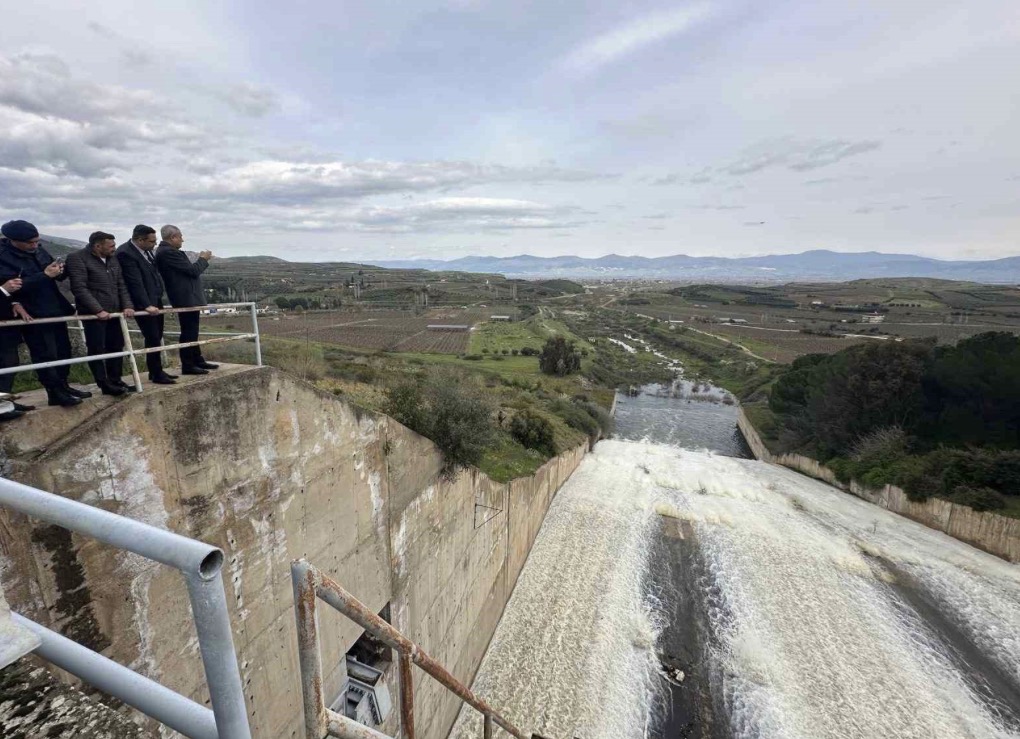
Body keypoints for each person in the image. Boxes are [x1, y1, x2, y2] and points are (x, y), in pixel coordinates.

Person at [0, 220, 91, 407]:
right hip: (33, 312)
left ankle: (64, 385)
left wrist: (59, 271)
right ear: (13, 240)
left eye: (36, 241)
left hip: (55, 307)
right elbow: (13, 288)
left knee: (63, 350)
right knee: (45, 353)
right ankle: (54, 391)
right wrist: (45, 275)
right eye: (30, 243)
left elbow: (52, 271)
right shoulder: (3, 257)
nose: (34, 245)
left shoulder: (39, 250)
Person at [65, 231, 136, 396]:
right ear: (98, 246)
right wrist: (98, 310)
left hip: (115, 312)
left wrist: (127, 305)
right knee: (97, 348)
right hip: (94, 314)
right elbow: (79, 287)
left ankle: (116, 379)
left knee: (117, 346)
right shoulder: (78, 258)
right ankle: (103, 383)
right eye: (111, 246)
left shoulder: (113, 259)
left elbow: (121, 284)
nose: (114, 248)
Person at [117, 225, 176, 384]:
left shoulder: (146, 251)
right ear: (140, 240)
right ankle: (156, 373)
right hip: (143, 304)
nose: (154, 244)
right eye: (152, 241)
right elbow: (134, 281)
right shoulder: (125, 253)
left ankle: (156, 371)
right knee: (152, 336)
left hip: (155, 300)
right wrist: (145, 305)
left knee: (157, 336)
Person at [155, 225, 217, 375]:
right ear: (173, 238)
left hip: (187, 297)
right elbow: (193, 271)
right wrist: (203, 259)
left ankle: (197, 360)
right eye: (180, 236)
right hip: (184, 297)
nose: (183, 239)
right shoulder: (168, 252)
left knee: (192, 330)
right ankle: (188, 364)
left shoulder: (168, 252)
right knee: (189, 331)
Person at [0, 274, 31, 420]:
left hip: (7, 330)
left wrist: (14, 302)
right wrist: (3, 290)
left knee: (10, 365)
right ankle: (2, 408)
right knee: (6, 366)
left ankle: (5, 403)